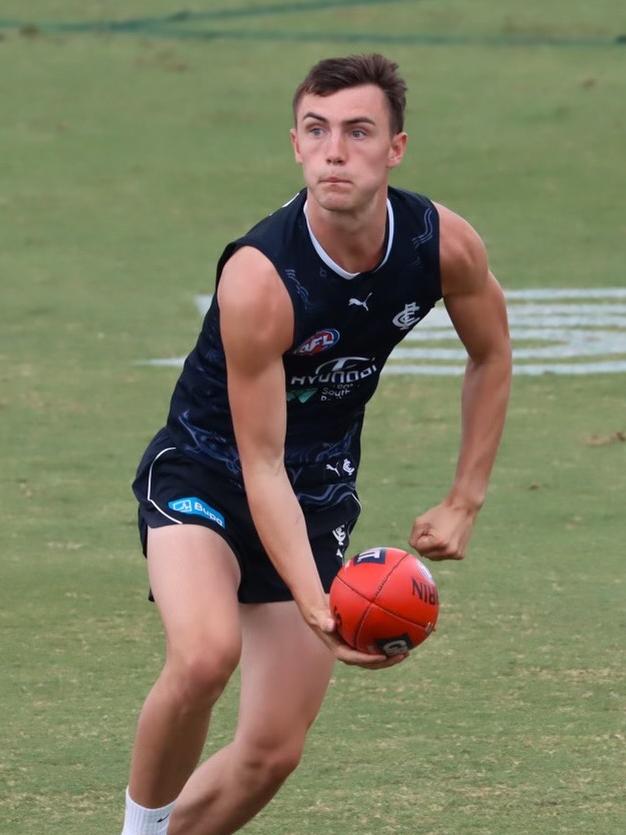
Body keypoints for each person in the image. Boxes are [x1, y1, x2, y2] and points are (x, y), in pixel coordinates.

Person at [121, 53, 512, 835]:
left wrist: (465, 496)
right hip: (209, 470)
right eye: (317, 130)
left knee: (270, 752)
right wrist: (313, 600)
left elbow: (491, 351)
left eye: (359, 131)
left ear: (395, 148)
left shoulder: (442, 245)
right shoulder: (261, 278)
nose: (336, 150)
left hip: (318, 488)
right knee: (204, 655)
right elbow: (258, 461)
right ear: (296, 145)